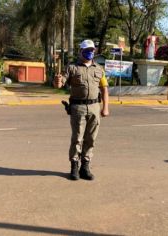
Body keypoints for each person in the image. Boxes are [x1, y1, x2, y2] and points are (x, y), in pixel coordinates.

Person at [54, 39, 110, 181]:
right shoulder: (72, 67)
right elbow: (60, 84)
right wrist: (57, 81)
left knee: (91, 139)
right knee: (77, 138)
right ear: (80, 51)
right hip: (78, 108)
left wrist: (106, 108)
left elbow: (104, 89)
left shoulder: (99, 68)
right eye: (87, 50)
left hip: (94, 108)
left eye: (91, 50)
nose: (90, 52)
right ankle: (74, 166)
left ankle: (85, 166)